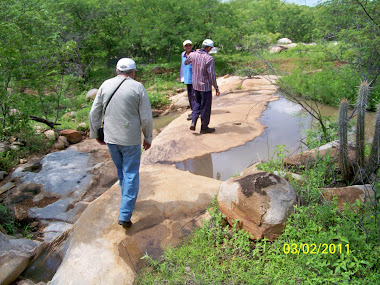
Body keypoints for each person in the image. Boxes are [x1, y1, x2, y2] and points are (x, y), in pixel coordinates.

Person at [89, 58, 153, 228]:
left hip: (111, 138)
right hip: (130, 139)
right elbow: (146, 117)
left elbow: (93, 113)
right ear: (133, 72)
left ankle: (127, 200)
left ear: (117, 71)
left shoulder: (105, 85)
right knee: (131, 173)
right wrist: (148, 137)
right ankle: (125, 213)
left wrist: (96, 133)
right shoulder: (138, 87)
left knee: (121, 170)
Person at [185, 39, 220, 134]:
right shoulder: (209, 58)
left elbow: (186, 62)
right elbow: (211, 75)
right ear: (208, 48)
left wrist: (191, 53)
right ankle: (204, 127)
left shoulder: (193, 54)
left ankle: (193, 121)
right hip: (205, 87)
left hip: (195, 85)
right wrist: (216, 87)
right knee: (205, 107)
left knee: (197, 104)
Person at [180, 39, 195, 121]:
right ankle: (194, 111)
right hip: (187, 78)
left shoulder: (195, 54)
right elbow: (182, 67)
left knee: (194, 96)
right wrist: (182, 77)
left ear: (192, 46)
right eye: (186, 46)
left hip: (194, 78)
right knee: (190, 96)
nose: (188, 47)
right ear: (184, 47)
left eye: (189, 45)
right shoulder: (183, 55)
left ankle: (195, 112)